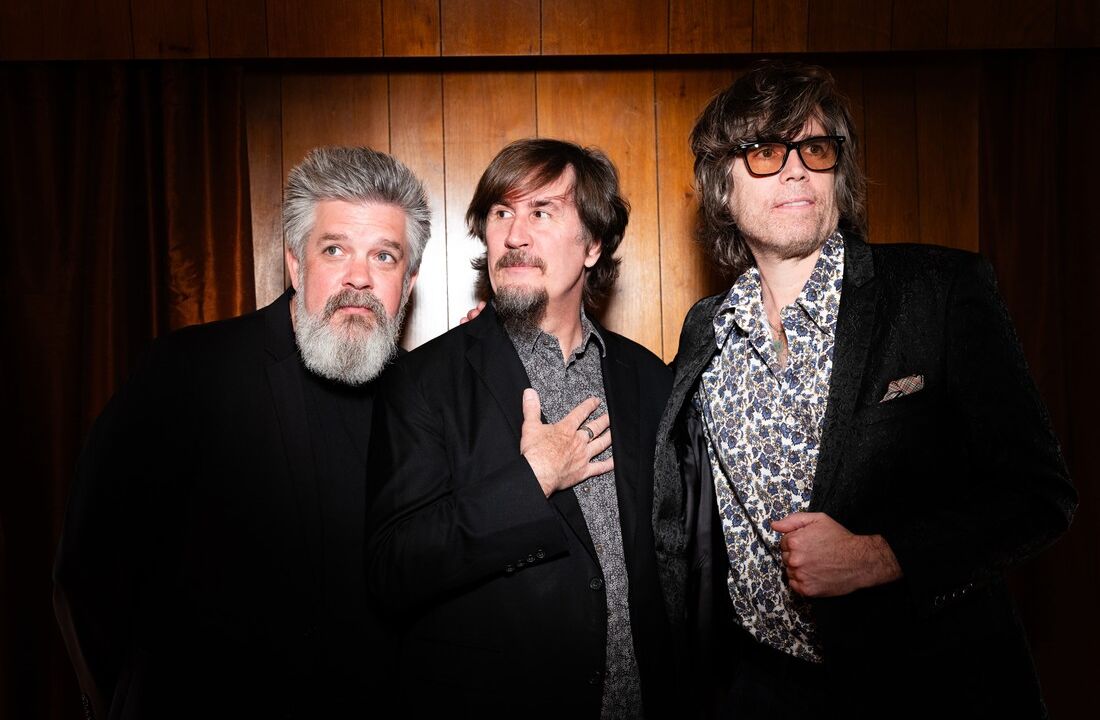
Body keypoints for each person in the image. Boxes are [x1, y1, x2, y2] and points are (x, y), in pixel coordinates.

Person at [651, 61, 1077, 719]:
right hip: (759, 687)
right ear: (722, 187)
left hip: (920, 684)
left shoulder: (939, 291)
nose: (797, 170)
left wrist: (879, 557)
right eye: (765, 151)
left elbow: (1039, 497)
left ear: (837, 173)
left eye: (815, 149)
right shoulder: (707, 329)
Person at [53, 146, 430, 719]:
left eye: (384, 255)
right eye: (334, 249)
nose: (359, 277)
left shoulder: (424, 401)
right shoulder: (187, 371)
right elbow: (89, 568)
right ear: (296, 264)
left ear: (408, 280)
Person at [366, 138, 673, 718]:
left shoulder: (650, 379)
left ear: (593, 245)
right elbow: (393, 570)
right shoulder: (425, 380)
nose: (514, 236)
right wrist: (531, 479)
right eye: (501, 213)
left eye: (542, 212)